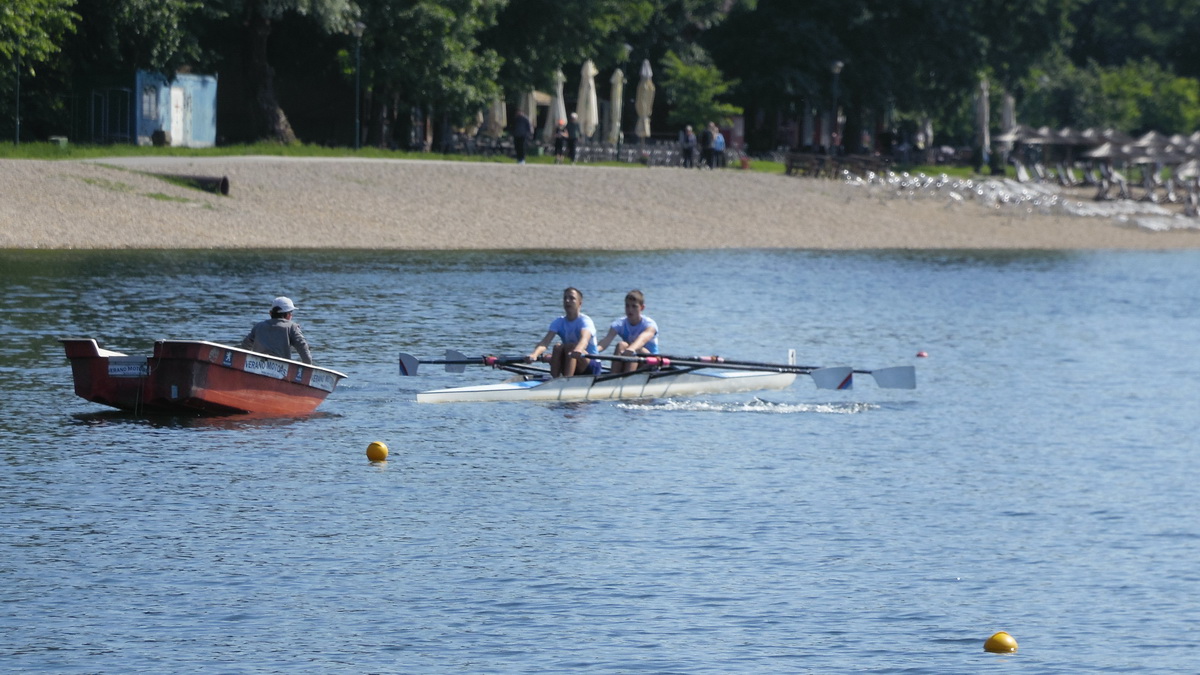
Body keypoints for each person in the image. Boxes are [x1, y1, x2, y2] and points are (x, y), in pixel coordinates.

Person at [527, 287, 601, 377]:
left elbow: (584, 340)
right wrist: (534, 354)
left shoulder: (585, 321)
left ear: (580, 303)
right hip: (571, 359)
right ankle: (555, 379)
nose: (567, 301)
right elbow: (545, 343)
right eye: (565, 298)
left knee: (571, 347)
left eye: (572, 298)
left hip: (591, 365)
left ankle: (566, 380)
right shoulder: (558, 322)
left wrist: (578, 349)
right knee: (557, 347)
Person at [597, 289, 659, 373]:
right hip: (631, 357)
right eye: (627, 306)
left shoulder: (650, 325)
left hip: (650, 362)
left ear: (642, 308)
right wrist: (593, 351)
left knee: (635, 349)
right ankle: (614, 376)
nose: (630, 310)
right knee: (621, 345)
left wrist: (631, 349)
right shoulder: (620, 323)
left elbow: (641, 340)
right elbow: (605, 341)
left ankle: (626, 377)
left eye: (634, 306)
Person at [240, 296, 313, 364]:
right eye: (291, 313)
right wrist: (308, 365)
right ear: (288, 315)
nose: (292, 315)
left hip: (257, 364)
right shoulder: (292, 327)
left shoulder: (258, 326)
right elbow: (303, 347)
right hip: (282, 368)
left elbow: (245, 346)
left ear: (270, 313)